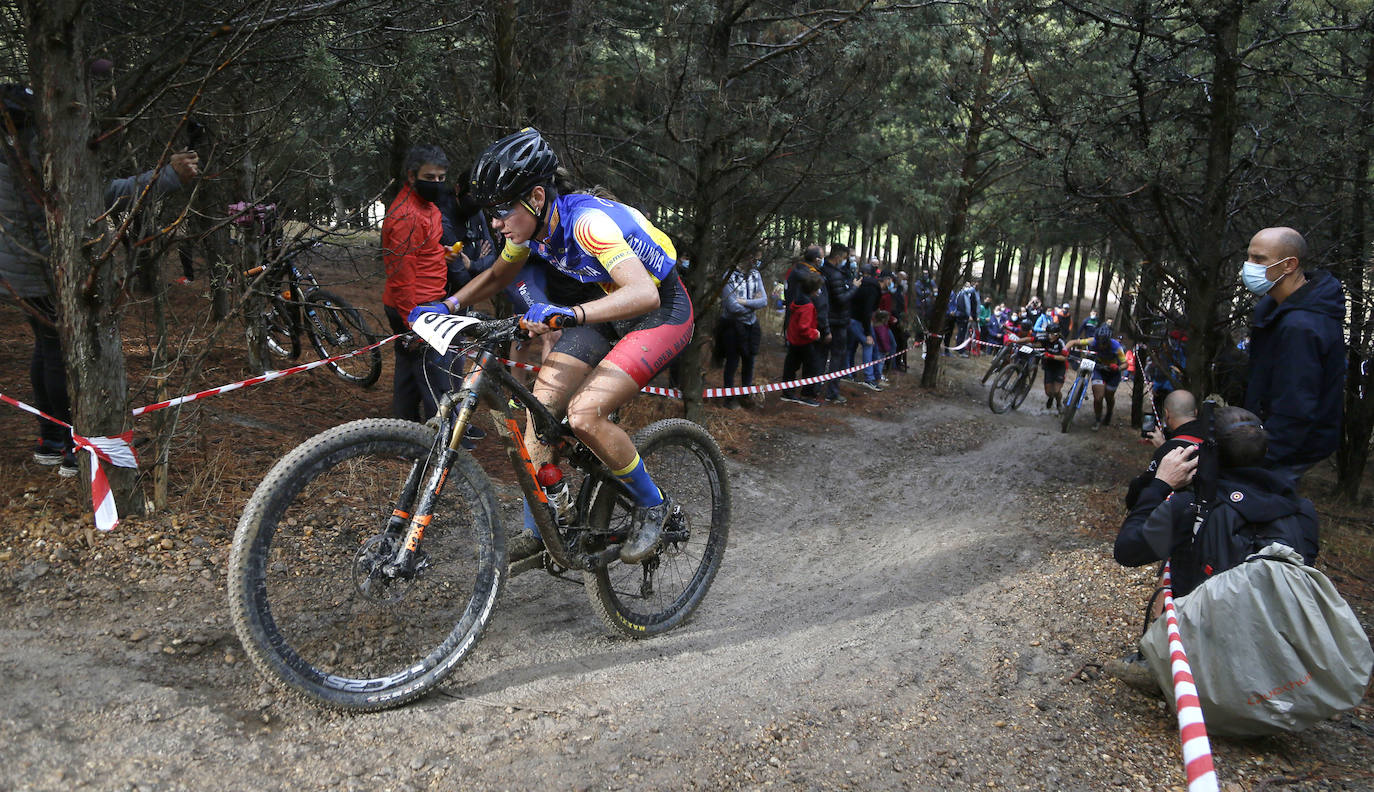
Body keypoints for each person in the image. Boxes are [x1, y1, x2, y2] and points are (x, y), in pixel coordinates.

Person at [411, 128, 692, 564]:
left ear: (537, 197)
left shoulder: (587, 224)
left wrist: (569, 315)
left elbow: (644, 293)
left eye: (501, 212)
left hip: (660, 310)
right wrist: (448, 303)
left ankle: (653, 505)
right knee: (539, 411)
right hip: (606, 306)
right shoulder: (530, 223)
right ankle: (541, 528)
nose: (496, 224)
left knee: (584, 415)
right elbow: (502, 273)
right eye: (490, 213)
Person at [0, 84, 199, 477]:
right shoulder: (35, 152)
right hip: (44, 270)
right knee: (59, 354)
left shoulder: (11, 149)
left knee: (46, 348)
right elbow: (97, 195)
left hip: (19, 272)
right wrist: (166, 177)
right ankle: (75, 446)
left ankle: (51, 440)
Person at [1114, 406, 1318, 600]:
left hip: (1203, 629)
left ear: (1209, 453)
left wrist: (1160, 484)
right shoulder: (1302, 510)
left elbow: (1127, 550)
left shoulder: (1191, 507)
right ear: (1265, 451)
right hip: (1275, 631)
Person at [1241, 226, 1345, 485]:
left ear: (1289, 265)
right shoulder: (1276, 311)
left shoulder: (1302, 326)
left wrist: (1260, 457)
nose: (1248, 266)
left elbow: (1296, 406)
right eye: (1249, 257)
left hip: (1284, 450)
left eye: (1259, 259)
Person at [381, 144, 464, 423]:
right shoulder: (407, 216)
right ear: (412, 176)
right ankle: (439, 439)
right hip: (417, 307)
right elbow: (401, 275)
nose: (437, 184)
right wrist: (411, 321)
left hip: (423, 302)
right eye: (430, 178)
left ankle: (404, 430)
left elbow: (420, 251)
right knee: (437, 378)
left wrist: (442, 254)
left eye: (441, 178)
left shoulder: (427, 207)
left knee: (408, 374)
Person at [1125, 389, 1203, 509]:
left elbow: (1138, 494)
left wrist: (1164, 449)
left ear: (1166, 414)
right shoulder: (1212, 437)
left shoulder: (1167, 451)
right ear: (1196, 412)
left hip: (1178, 517)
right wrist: (1164, 445)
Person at [718, 252, 767, 408]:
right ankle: (729, 398)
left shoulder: (755, 274)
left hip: (751, 325)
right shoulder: (729, 276)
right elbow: (732, 307)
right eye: (754, 258)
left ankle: (745, 395)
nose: (756, 261)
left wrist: (743, 302)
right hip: (733, 325)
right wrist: (753, 304)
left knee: (750, 361)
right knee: (732, 362)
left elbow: (764, 300)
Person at [783, 247, 828, 404]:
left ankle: (787, 391)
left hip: (794, 339)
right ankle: (807, 394)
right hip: (803, 341)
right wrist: (814, 333)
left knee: (791, 364)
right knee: (812, 366)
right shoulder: (808, 306)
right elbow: (803, 327)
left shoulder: (798, 301)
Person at [1067, 323, 1128, 430]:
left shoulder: (1116, 347)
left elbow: (1126, 364)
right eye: (1098, 342)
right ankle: (1098, 419)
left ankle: (1109, 413)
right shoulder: (1093, 340)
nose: (1100, 345)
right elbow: (1073, 342)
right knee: (1098, 397)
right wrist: (1065, 349)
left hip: (1113, 372)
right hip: (1099, 369)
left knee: (1109, 397)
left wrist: (1117, 368)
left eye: (1103, 343)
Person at [820, 243, 857, 403]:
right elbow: (841, 298)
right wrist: (854, 288)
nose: (846, 261)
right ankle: (832, 392)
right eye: (844, 258)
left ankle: (816, 387)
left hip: (828, 319)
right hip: (837, 320)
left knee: (822, 355)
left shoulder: (825, 270)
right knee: (837, 356)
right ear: (838, 257)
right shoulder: (834, 274)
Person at [848, 262, 883, 390]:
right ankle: (869, 377)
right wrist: (868, 332)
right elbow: (867, 310)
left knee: (851, 347)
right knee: (869, 344)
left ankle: (849, 372)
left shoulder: (856, 283)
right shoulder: (872, 288)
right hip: (859, 321)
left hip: (852, 318)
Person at [1039, 323, 1069, 413]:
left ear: (1058, 334)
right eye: (1048, 334)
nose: (1050, 336)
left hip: (1060, 367)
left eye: (1053, 334)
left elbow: (1064, 357)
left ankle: (1058, 403)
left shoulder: (1062, 342)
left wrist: (1051, 356)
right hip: (1048, 367)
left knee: (1056, 391)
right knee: (1048, 392)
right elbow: (1033, 340)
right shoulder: (1045, 338)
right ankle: (1051, 397)